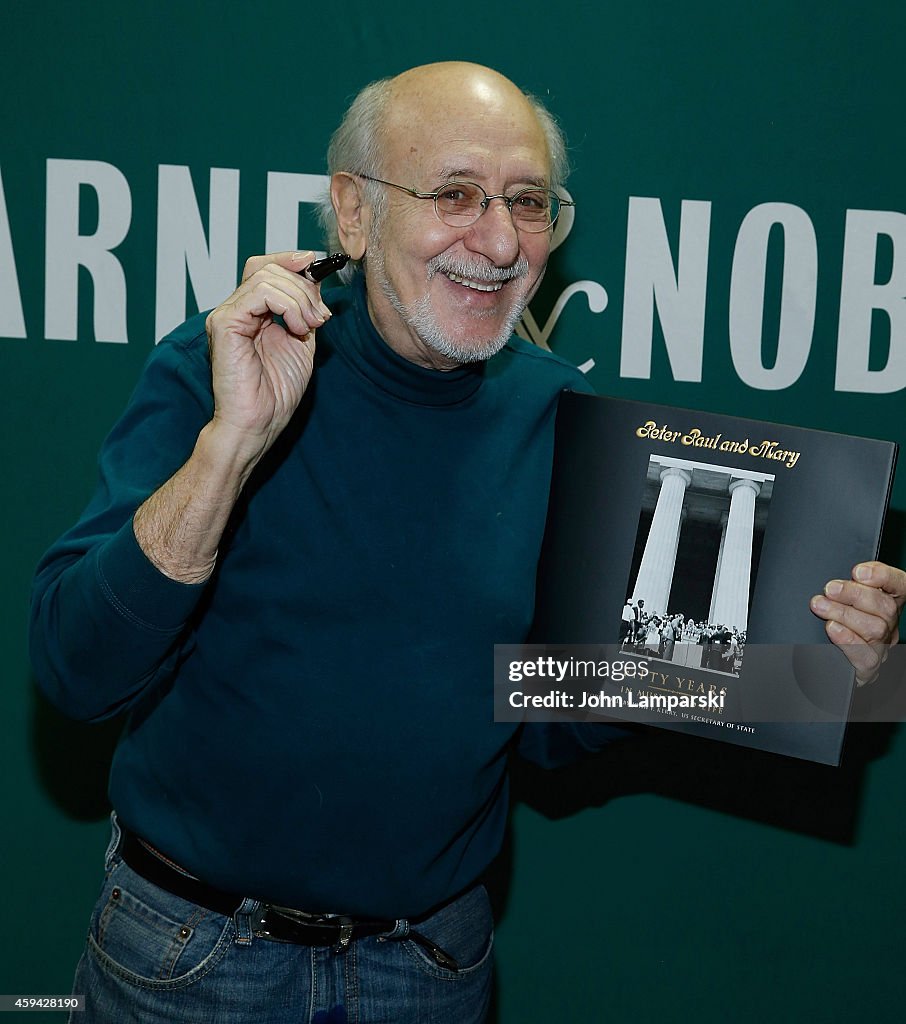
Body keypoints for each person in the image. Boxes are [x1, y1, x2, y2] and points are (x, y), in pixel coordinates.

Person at [28, 61, 906, 1024]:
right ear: (355, 213)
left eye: (527, 202)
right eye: (455, 194)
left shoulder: (565, 423)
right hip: (193, 958)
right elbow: (75, 670)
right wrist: (229, 448)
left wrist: (828, 673)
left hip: (430, 967)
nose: (497, 240)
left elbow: (547, 713)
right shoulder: (222, 368)